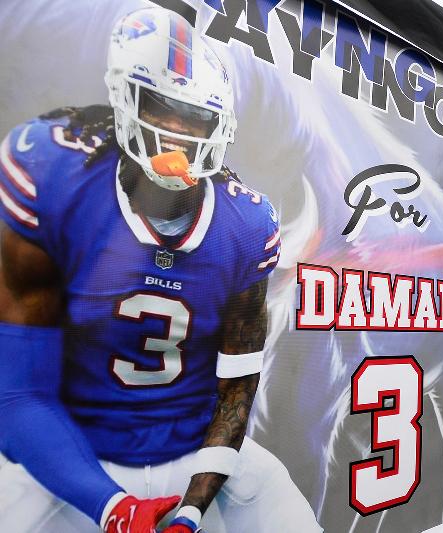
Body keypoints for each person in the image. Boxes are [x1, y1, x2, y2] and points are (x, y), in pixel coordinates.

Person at [0, 7, 321, 533]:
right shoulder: (53, 173)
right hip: (75, 452)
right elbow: (17, 395)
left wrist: (192, 509)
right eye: (160, 108)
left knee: (294, 522)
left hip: (193, 447)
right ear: (124, 98)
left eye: (194, 119)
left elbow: (235, 393)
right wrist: (116, 509)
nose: (176, 134)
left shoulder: (245, 221)